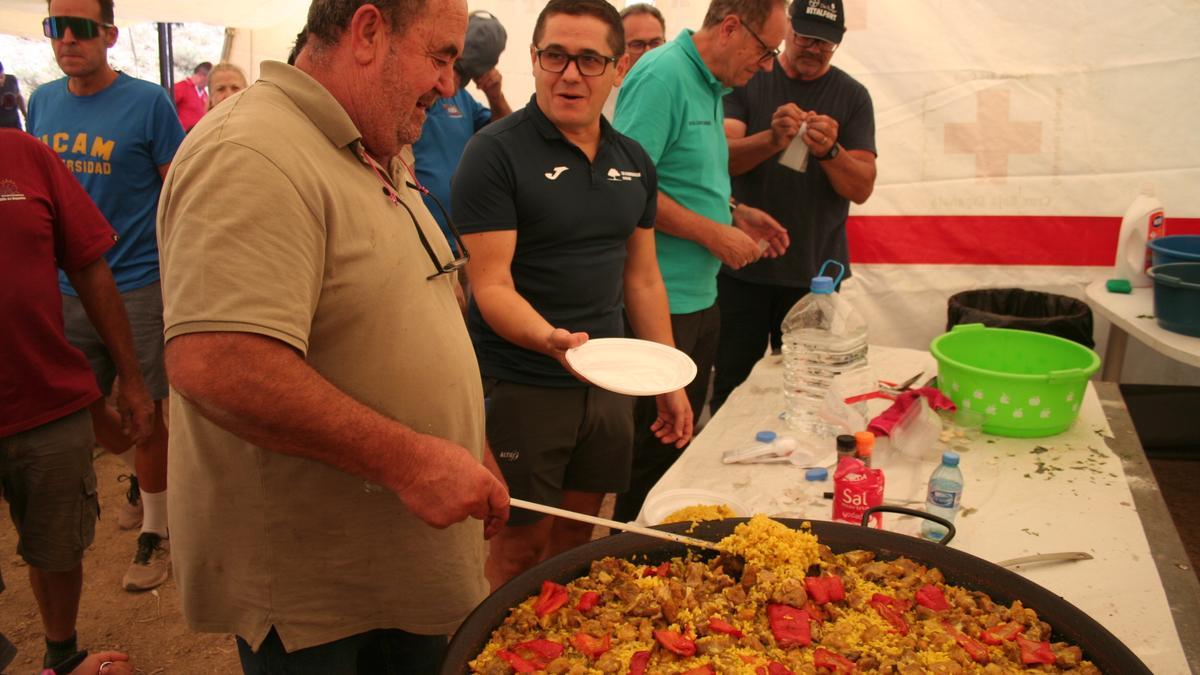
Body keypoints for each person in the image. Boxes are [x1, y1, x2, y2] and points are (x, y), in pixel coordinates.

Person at [156, 0, 509, 669]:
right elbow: (219, 362)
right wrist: (413, 461)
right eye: (439, 57)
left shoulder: (369, 145)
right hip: (321, 602)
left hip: (393, 568)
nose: (447, 83)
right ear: (369, 31)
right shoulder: (253, 150)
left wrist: (470, 444)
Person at [453, 0, 692, 587]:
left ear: (618, 69)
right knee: (520, 544)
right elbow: (490, 284)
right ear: (533, 60)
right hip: (524, 380)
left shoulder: (633, 160)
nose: (570, 74)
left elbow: (642, 277)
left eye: (590, 60)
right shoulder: (495, 153)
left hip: (609, 380)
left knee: (576, 535)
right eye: (555, 56)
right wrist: (551, 340)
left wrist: (670, 378)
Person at [610, 0, 791, 523]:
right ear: (731, 28)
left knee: (673, 459)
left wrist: (734, 213)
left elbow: (682, 175)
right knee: (646, 467)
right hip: (659, 303)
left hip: (699, 299)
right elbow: (628, 186)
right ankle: (629, 573)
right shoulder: (664, 76)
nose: (768, 65)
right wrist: (713, 233)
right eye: (766, 50)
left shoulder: (712, 85)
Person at [27, 0, 186, 593]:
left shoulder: (148, 103)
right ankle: (144, 482)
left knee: (147, 412)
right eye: (55, 27)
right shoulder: (41, 102)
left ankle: (157, 531)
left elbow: (178, 192)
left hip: (137, 284)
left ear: (109, 35)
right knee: (79, 408)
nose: (67, 39)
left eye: (82, 27)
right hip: (65, 288)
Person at [0, 128, 154, 671]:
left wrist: (130, 378)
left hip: (46, 402)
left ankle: (60, 655)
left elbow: (88, 263)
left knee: (58, 545)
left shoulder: (24, 154)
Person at [712, 0, 877, 412]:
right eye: (805, 36)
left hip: (816, 275)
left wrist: (831, 151)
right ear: (786, 29)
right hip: (742, 264)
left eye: (825, 43)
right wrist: (772, 138)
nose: (813, 48)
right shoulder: (748, 79)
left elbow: (861, 187)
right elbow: (721, 157)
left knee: (811, 391)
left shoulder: (853, 96)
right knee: (734, 385)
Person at [409, 9, 512, 251]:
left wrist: (495, 96)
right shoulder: (416, 88)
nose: (448, 86)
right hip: (418, 242)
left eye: (462, 75)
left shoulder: (464, 101)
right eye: (451, 66)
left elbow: (505, 137)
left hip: (460, 243)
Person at [600, 4, 666, 121]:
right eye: (637, 44)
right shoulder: (601, 96)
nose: (648, 53)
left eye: (655, 43)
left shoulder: (674, 88)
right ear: (618, 48)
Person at [173, 61, 211, 131]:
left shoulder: (205, 95)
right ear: (201, 75)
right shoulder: (181, 87)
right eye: (210, 79)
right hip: (178, 134)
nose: (210, 82)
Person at [0, 60, 28, 130]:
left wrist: (25, 115)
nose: (0, 81)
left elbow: (18, 97)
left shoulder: (11, 79)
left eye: (1, 77)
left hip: (15, 123)